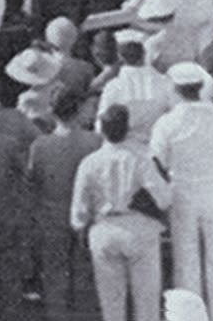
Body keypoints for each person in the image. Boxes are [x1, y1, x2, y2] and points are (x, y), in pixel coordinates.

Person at [147, 63, 213, 321]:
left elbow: (154, 160)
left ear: (175, 89)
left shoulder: (167, 122)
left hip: (182, 190)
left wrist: (165, 184)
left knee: (186, 258)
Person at [67, 108, 162, 321]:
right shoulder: (140, 158)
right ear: (127, 129)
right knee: (147, 303)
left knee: (111, 304)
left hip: (104, 228)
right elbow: (164, 198)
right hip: (139, 227)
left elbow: (79, 212)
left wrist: (82, 226)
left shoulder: (90, 162)